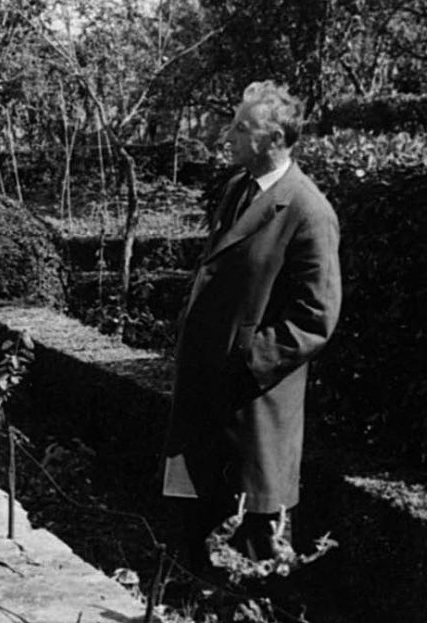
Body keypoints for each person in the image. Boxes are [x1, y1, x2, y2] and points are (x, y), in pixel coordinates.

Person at [163, 80, 342, 573]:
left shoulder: (308, 211)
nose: (230, 135)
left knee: (255, 546)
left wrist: (243, 359)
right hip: (207, 397)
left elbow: (316, 317)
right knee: (201, 534)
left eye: (243, 127)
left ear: (276, 139)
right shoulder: (238, 189)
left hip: (254, 405)